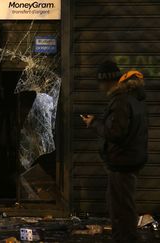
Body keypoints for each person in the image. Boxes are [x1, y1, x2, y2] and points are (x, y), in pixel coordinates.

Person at [81, 61, 147, 243]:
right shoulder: (131, 99)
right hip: (127, 161)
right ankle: (123, 237)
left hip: (122, 163)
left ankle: (128, 239)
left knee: (121, 207)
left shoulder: (121, 101)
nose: (99, 87)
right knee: (119, 205)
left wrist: (93, 123)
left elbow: (115, 133)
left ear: (108, 81)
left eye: (100, 83)